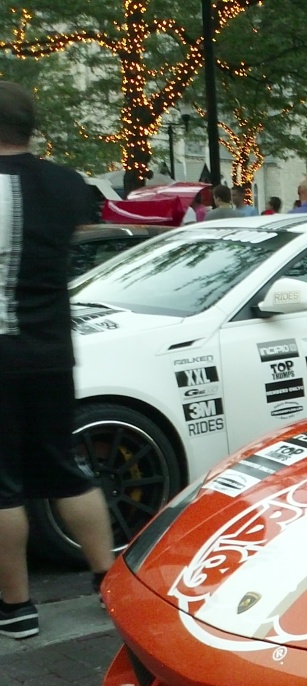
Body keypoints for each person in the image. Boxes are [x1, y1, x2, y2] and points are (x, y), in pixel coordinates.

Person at [0, 82, 114, 640]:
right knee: (66, 470)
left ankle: (17, 607)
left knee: (2, 487)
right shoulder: (67, 184)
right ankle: (106, 578)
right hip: (50, 349)